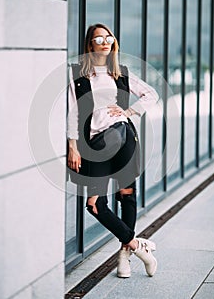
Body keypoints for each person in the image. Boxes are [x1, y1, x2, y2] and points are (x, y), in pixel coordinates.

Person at [67, 23, 159, 278]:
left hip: (124, 137)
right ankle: (138, 246)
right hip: (97, 145)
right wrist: (72, 145)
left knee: (126, 195)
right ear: (90, 45)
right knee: (95, 204)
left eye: (109, 38)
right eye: (99, 39)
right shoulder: (77, 76)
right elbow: (73, 112)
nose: (106, 42)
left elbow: (151, 95)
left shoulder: (121, 73)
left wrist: (130, 112)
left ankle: (124, 259)